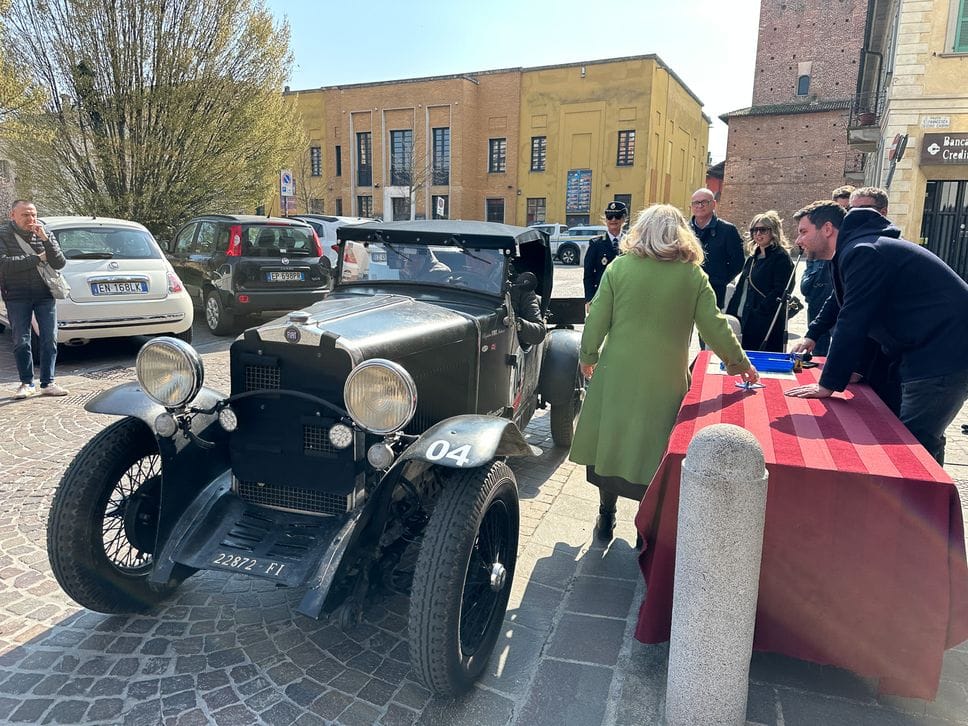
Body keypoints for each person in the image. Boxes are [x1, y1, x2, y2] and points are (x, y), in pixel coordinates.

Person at [569, 204, 759, 542]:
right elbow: (715, 326)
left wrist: (588, 356)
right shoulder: (692, 275)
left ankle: (606, 515)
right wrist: (740, 364)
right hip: (665, 376)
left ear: (640, 231)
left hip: (617, 372)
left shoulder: (620, 268)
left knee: (612, 440)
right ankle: (647, 527)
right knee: (653, 447)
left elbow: (596, 318)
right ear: (680, 234)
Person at [786, 200, 968, 465]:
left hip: (942, 354)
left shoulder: (863, 251)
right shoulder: (855, 249)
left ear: (827, 228)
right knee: (918, 441)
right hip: (930, 349)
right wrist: (814, 334)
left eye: (803, 231)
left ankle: (922, 503)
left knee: (912, 445)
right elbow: (843, 302)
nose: (798, 240)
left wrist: (828, 384)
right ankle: (930, 503)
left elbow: (854, 318)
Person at [0, 200, 68, 399]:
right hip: (16, 295)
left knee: (50, 338)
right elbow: (4, 264)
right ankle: (26, 383)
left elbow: (59, 262)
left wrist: (46, 240)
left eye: (33, 214)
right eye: (25, 215)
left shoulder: (44, 232)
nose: (31, 219)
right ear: (13, 215)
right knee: (21, 341)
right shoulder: (3, 234)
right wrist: (38, 258)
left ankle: (48, 382)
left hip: (44, 295)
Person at [725, 210, 795, 352]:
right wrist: (731, 314)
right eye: (754, 230)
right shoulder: (752, 258)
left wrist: (759, 312)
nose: (758, 234)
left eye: (763, 230)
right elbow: (740, 288)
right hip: (744, 317)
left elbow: (780, 290)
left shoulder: (781, 258)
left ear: (773, 231)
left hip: (766, 321)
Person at [688, 188, 745, 310]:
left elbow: (738, 262)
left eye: (704, 202)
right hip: (687, 288)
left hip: (714, 290)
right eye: (696, 203)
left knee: (709, 327)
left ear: (713, 204)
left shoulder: (728, 230)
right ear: (691, 206)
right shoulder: (684, 231)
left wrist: (721, 280)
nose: (700, 206)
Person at [583, 200, 627, 310]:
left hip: (625, 294)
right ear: (605, 219)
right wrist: (589, 299)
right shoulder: (596, 244)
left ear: (624, 219)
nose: (613, 220)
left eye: (617, 216)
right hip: (602, 294)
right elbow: (588, 274)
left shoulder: (631, 242)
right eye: (609, 216)